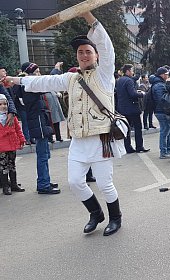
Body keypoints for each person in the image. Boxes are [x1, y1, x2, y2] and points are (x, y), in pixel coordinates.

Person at [3, 12, 123, 236]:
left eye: (88, 52)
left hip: (101, 139)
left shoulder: (105, 75)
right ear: (76, 57)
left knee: (105, 184)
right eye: (80, 52)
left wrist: (89, 17)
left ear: (96, 56)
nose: (84, 55)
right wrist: (16, 80)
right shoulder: (71, 78)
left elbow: (107, 46)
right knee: (75, 182)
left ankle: (115, 218)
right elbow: (44, 81)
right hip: (78, 140)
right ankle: (96, 214)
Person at [18, 62, 61, 195]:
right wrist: (55, 71)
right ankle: (43, 184)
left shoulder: (29, 85)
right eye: (36, 72)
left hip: (41, 122)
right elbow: (47, 84)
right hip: (38, 123)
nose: (39, 74)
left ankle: (44, 180)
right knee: (42, 156)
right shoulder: (29, 85)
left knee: (45, 155)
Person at [116, 64, 150, 154]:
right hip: (132, 108)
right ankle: (139, 146)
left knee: (126, 128)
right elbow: (132, 94)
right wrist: (141, 94)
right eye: (132, 70)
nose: (133, 72)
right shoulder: (129, 81)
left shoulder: (119, 80)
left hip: (122, 108)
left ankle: (128, 147)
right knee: (138, 128)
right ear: (127, 71)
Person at [0, 94, 26, 194]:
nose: (3, 106)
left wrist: (21, 139)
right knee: (3, 167)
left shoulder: (11, 116)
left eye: (5, 104)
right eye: (1, 104)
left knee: (12, 165)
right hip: (2, 146)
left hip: (11, 144)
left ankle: (14, 184)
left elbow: (18, 129)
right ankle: (6, 186)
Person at [150, 66, 170, 159]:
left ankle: (167, 149)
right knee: (165, 130)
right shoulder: (159, 85)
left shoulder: (159, 83)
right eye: (166, 74)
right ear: (162, 75)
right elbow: (162, 100)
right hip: (161, 111)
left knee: (168, 129)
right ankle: (163, 152)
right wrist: (168, 109)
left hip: (161, 110)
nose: (167, 76)